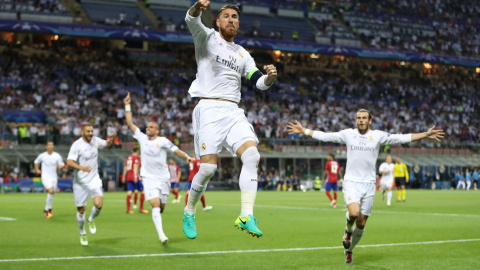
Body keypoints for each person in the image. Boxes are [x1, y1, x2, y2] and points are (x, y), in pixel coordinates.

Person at [286, 109, 444, 264]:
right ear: (356, 120)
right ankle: (347, 232)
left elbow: (402, 138)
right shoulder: (348, 134)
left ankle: (349, 250)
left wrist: (426, 134)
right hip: (351, 182)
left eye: (364, 118)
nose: (361, 120)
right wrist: (304, 130)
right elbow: (327, 136)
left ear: (370, 121)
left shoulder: (378, 136)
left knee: (361, 224)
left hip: (369, 184)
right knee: (353, 213)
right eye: (358, 118)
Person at [183, 0, 277, 239]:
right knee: (208, 169)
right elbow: (191, 19)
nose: (231, 20)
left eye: (235, 17)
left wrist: (269, 79)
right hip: (210, 108)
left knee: (252, 155)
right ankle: (190, 210)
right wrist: (196, 7)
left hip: (233, 111)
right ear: (218, 20)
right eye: (226, 16)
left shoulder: (243, 53)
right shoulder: (207, 37)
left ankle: (246, 215)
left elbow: (257, 81)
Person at [124, 92, 193, 245]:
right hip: (148, 178)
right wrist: (127, 105)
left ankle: (160, 216)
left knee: (161, 207)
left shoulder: (162, 141)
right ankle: (162, 235)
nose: (147, 128)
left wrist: (186, 157)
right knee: (155, 205)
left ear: (157, 130)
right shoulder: (142, 138)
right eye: (147, 126)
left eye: (151, 127)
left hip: (163, 178)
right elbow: (130, 124)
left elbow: (176, 150)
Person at [67, 124, 115, 246]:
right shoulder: (76, 145)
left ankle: (91, 219)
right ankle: (82, 233)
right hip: (80, 182)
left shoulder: (95, 140)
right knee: (81, 210)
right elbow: (69, 162)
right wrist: (81, 168)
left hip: (94, 179)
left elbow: (107, 144)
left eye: (92, 131)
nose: (90, 133)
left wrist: (110, 140)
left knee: (98, 205)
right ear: (82, 132)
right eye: (88, 131)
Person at [34, 141, 65, 218]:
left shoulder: (57, 155)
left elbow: (62, 164)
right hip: (45, 177)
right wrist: (37, 170)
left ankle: (47, 209)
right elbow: (36, 162)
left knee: (52, 193)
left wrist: (60, 166)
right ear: (46, 146)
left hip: (54, 177)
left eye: (52, 145)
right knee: (50, 191)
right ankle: (48, 210)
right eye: (49, 145)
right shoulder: (42, 155)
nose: (51, 146)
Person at [121, 147, 148, 214]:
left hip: (128, 177)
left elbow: (125, 167)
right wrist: (135, 176)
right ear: (137, 152)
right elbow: (135, 167)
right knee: (143, 191)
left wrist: (124, 176)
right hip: (135, 177)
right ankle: (141, 208)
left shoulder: (128, 158)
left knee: (129, 192)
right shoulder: (135, 158)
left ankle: (128, 209)